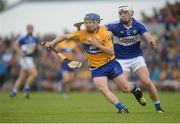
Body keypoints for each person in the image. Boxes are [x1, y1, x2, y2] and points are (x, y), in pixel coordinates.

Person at [45, 13, 146, 114]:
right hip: (96, 68)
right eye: (86, 22)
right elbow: (64, 36)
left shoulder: (104, 33)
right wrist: (53, 42)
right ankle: (122, 108)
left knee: (126, 88)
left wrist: (96, 44)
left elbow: (111, 51)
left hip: (110, 64)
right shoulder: (81, 33)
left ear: (97, 23)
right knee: (103, 89)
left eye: (90, 22)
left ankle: (135, 89)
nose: (87, 24)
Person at [105, 5, 165, 113]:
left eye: (125, 13)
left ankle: (158, 107)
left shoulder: (139, 25)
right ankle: (136, 90)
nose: (122, 15)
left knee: (147, 82)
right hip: (121, 60)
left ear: (131, 14)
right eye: (121, 13)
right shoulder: (114, 26)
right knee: (124, 88)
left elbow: (147, 35)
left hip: (136, 57)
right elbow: (100, 29)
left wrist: (151, 41)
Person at [10, 24, 40, 98]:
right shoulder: (23, 38)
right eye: (29, 29)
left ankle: (14, 92)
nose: (30, 30)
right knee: (34, 74)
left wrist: (39, 48)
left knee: (22, 77)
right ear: (27, 29)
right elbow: (15, 45)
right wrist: (20, 52)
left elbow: (37, 46)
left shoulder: (35, 38)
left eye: (31, 29)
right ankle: (26, 88)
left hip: (30, 58)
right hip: (25, 58)